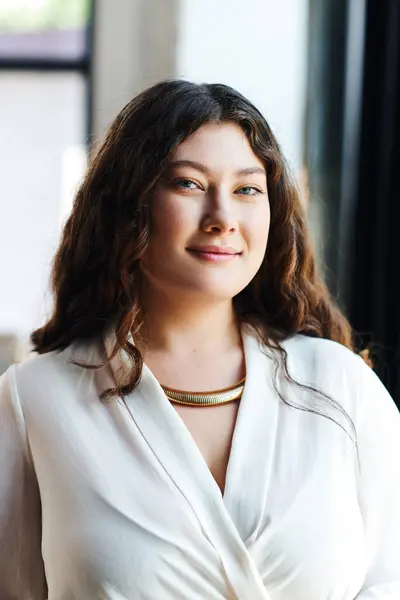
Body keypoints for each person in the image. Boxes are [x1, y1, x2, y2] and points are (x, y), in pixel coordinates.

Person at [0, 80, 399, 600]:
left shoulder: (341, 386)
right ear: (128, 204)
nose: (223, 218)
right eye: (189, 184)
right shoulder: (34, 401)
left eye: (247, 189)